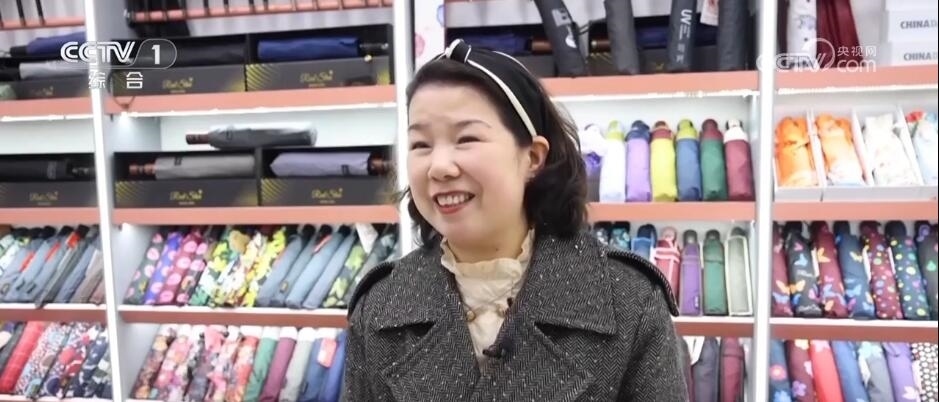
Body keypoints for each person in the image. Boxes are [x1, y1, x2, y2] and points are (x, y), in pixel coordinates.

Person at [342, 39, 687, 401]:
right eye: (420, 145)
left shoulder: (629, 302)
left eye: (466, 138)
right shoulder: (379, 309)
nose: (439, 167)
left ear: (533, 157)